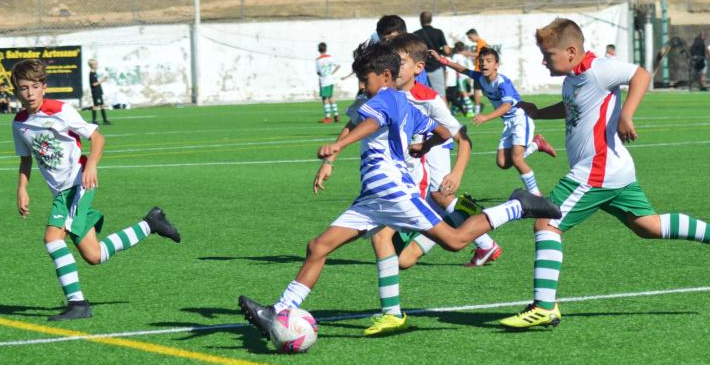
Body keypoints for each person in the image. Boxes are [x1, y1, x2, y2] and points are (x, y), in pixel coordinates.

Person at [238, 43, 561, 337]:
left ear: (386, 75)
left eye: (365, 79)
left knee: (455, 240)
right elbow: (444, 132)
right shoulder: (401, 103)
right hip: (371, 198)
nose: (361, 87)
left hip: (395, 194)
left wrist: (339, 144)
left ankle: (518, 206)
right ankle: (278, 311)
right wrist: (425, 144)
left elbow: (371, 124)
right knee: (318, 246)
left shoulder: (384, 100)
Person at [498, 18, 710, 329]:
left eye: (548, 55)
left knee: (546, 222)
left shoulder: (600, 69)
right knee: (649, 227)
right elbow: (574, 106)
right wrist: (539, 112)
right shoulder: (572, 77)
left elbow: (640, 75)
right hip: (614, 169)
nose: (544, 60)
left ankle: (544, 306)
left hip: (597, 170)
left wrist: (626, 115)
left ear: (571, 51)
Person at [11, 59, 180, 321]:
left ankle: (77, 304)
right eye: (23, 88)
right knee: (94, 255)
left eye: (35, 86)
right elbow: (25, 159)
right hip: (61, 192)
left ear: (44, 87)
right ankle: (151, 224)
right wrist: (22, 188)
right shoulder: (19, 123)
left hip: (77, 184)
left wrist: (91, 165)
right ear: (16, 91)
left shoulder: (60, 110)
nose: (30, 93)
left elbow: (97, 137)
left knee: (52, 239)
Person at [382, 33, 502, 269]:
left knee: (440, 194)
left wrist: (456, 173)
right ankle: (483, 239)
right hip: (418, 152)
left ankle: (486, 235)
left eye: (399, 62)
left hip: (435, 146)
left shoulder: (428, 98)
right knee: (435, 201)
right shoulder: (388, 91)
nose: (394, 67)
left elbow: (462, 139)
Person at [431, 46, 556, 196]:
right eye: (481, 61)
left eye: (489, 61)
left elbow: (506, 105)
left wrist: (486, 117)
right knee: (503, 163)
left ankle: (536, 195)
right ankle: (536, 144)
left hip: (520, 119)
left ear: (497, 65)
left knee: (517, 159)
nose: (484, 64)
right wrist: (442, 60)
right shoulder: (481, 78)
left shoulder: (503, 82)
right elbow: (462, 69)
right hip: (508, 124)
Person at [413, 11, 451, 97]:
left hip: (421, 69)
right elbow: (447, 51)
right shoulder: (438, 32)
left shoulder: (416, 34)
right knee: (441, 96)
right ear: (431, 20)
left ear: (420, 20)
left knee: (422, 96)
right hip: (436, 67)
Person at [464, 28, 490, 112]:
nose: (470, 40)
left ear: (474, 35)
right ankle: (478, 108)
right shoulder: (480, 43)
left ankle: (477, 109)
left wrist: (468, 54)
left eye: (470, 38)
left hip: (479, 70)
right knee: (481, 90)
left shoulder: (481, 42)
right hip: (480, 69)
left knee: (476, 90)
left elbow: (480, 54)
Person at [315, 42, 340, 123]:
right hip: (330, 79)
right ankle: (336, 115)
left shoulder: (318, 60)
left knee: (325, 98)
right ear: (326, 49)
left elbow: (318, 72)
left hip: (324, 81)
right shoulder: (330, 58)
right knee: (331, 97)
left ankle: (328, 117)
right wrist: (332, 73)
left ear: (319, 50)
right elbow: (338, 65)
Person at [87, 59, 111, 125]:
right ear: (92, 65)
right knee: (96, 105)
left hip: (98, 90)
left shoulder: (94, 72)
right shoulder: (91, 73)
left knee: (102, 105)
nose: (97, 65)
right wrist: (102, 80)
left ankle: (105, 120)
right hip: (95, 91)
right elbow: (94, 84)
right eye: (96, 64)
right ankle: (94, 121)